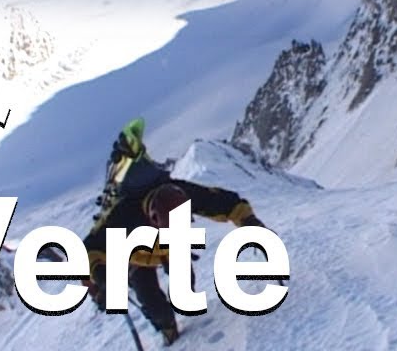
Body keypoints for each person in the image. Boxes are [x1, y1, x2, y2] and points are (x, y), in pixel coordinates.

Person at [82, 121, 267, 346]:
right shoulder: (122, 215)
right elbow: (90, 250)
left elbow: (226, 203)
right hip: (134, 257)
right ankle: (168, 331)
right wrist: (101, 280)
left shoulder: (182, 194)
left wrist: (248, 221)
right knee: (154, 304)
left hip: (170, 249)